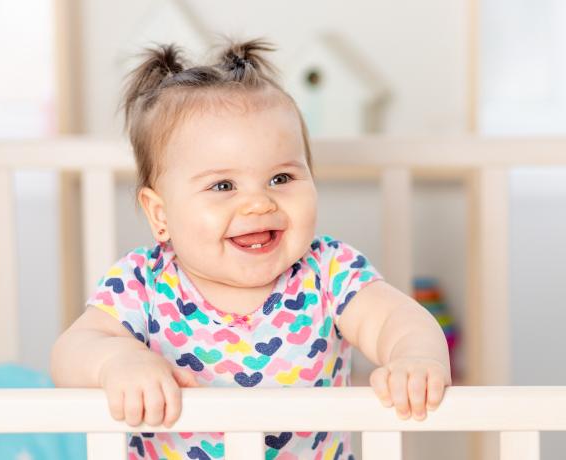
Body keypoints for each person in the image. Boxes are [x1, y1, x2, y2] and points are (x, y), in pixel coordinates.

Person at [50, 38, 451, 460]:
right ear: (160, 214)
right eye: (223, 186)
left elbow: (395, 319)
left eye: (281, 178)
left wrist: (416, 358)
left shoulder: (329, 271)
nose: (259, 203)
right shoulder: (143, 283)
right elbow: (72, 351)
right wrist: (118, 362)